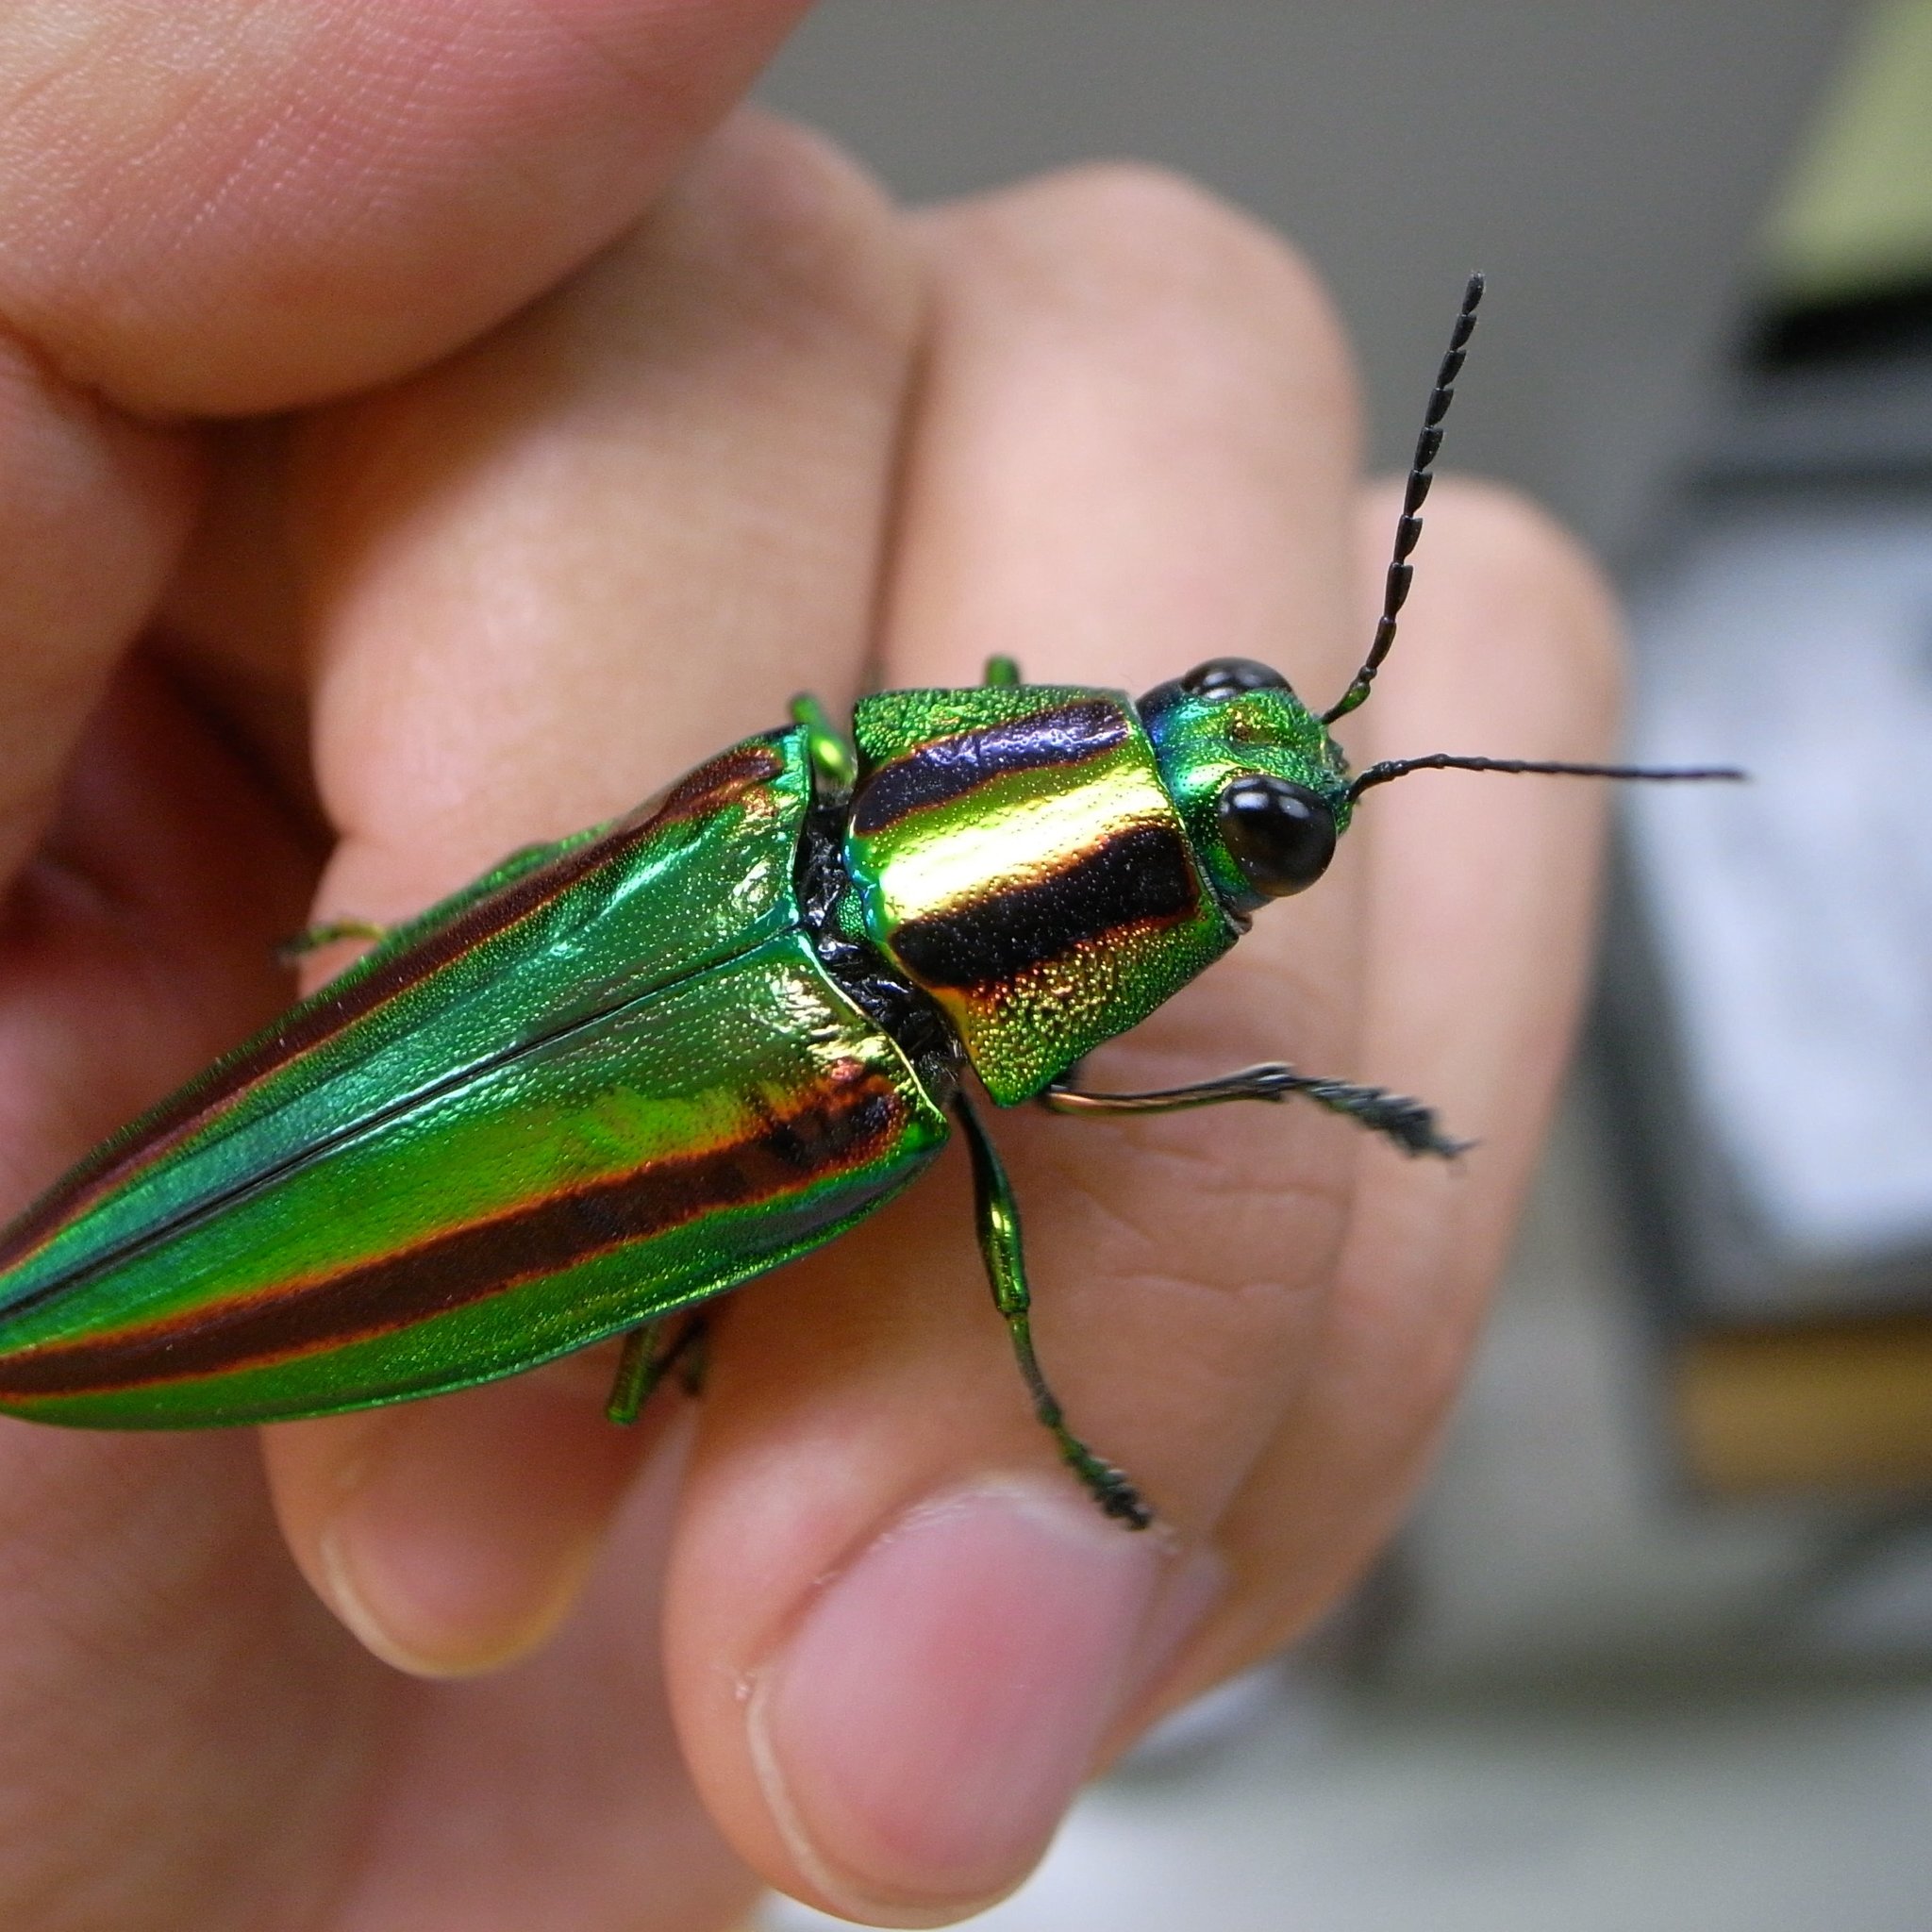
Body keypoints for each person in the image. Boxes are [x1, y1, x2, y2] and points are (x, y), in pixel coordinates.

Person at [0, 5, 1621, 1925]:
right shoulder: (886, 1083)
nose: (1249, 751)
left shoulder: (772, 803)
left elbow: (681, 842)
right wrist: (1292, 1091)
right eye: (1224, 726)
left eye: (1256, 817)